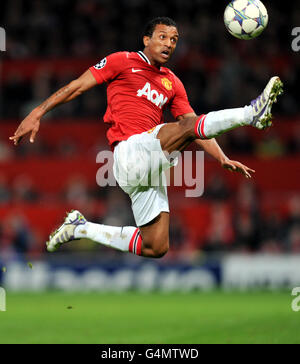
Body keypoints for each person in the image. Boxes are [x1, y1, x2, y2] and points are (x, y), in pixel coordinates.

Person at [9, 17, 283, 258]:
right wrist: (38, 112)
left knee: (155, 246)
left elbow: (192, 124)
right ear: (146, 39)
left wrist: (221, 157)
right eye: (162, 37)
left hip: (150, 165)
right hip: (130, 152)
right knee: (185, 129)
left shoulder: (172, 82)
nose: (169, 44)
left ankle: (81, 228)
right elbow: (76, 87)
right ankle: (251, 114)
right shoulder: (122, 61)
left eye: (174, 39)